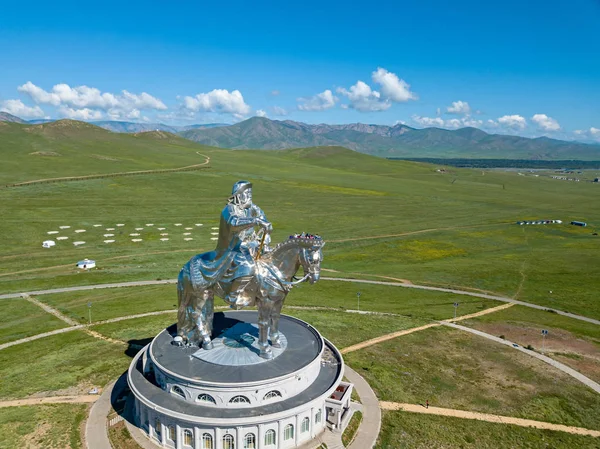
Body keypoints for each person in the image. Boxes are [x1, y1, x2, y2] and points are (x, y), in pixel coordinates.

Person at [213, 181, 272, 307]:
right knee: (247, 266)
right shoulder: (229, 210)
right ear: (238, 195)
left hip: (252, 243)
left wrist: (266, 235)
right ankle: (233, 295)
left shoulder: (252, 208)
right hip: (233, 247)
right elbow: (234, 223)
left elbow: (264, 219)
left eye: (250, 193)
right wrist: (255, 221)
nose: (250, 196)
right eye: (246, 193)